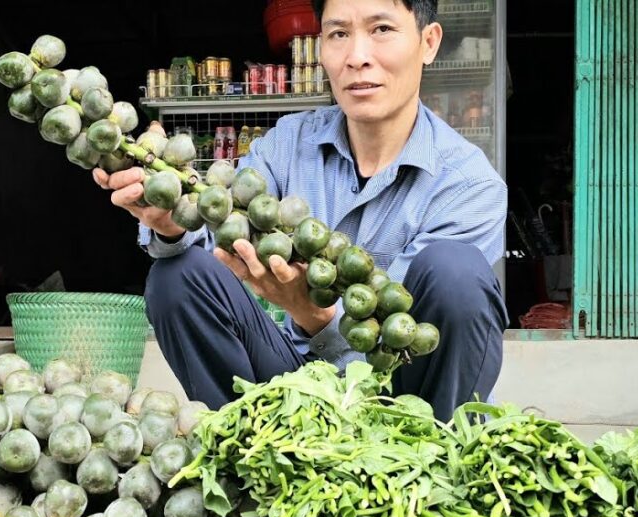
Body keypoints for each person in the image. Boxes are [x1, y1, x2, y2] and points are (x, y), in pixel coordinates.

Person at [93, 0, 508, 421]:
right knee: (178, 276)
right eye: (339, 34)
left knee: (457, 274)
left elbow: (399, 338)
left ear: (428, 42)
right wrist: (169, 223)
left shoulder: (469, 183)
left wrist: (317, 317)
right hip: (291, 392)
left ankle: (439, 465)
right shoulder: (288, 143)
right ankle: (249, 457)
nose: (357, 57)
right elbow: (218, 230)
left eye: (381, 29)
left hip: (406, 403)